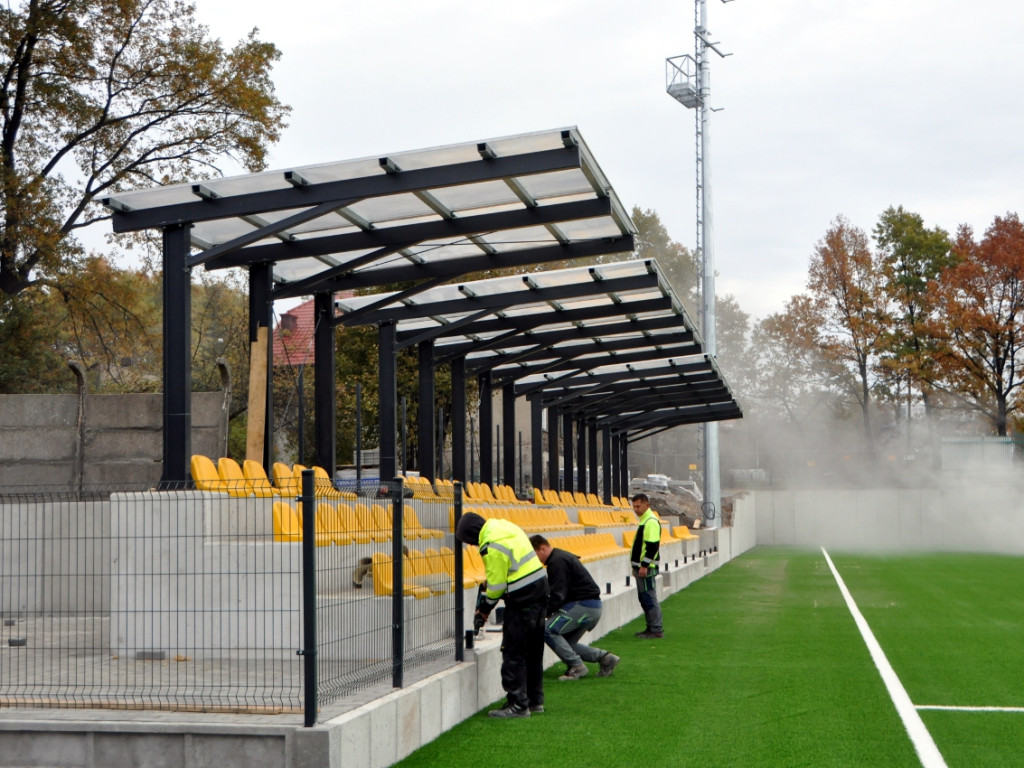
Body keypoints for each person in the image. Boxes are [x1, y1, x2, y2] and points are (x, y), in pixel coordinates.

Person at [455, 512, 549, 719]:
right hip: (540, 587)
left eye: (468, 541)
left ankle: (517, 704)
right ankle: (535, 700)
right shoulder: (502, 525)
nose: (471, 546)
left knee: (513, 650)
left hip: (523, 596)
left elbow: (496, 587)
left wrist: (484, 610)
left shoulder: (489, 544)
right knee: (533, 649)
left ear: (471, 535)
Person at [530, 534, 620, 681]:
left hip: (584, 605)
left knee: (546, 629)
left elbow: (558, 595)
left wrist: (543, 613)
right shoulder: (560, 558)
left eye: (534, 554)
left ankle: (577, 667)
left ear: (542, 548)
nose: (535, 559)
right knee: (566, 643)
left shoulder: (556, 562)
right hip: (591, 606)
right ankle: (606, 659)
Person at [630, 493, 664, 638]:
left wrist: (644, 565)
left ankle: (656, 629)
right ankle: (651, 627)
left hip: (646, 568)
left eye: (638, 506)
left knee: (649, 597)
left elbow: (652, 546)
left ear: (646, 505)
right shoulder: (645, 521)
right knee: (644, 598)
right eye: (634, 507)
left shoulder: (650, 521)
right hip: (642, 567)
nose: (635, 509)